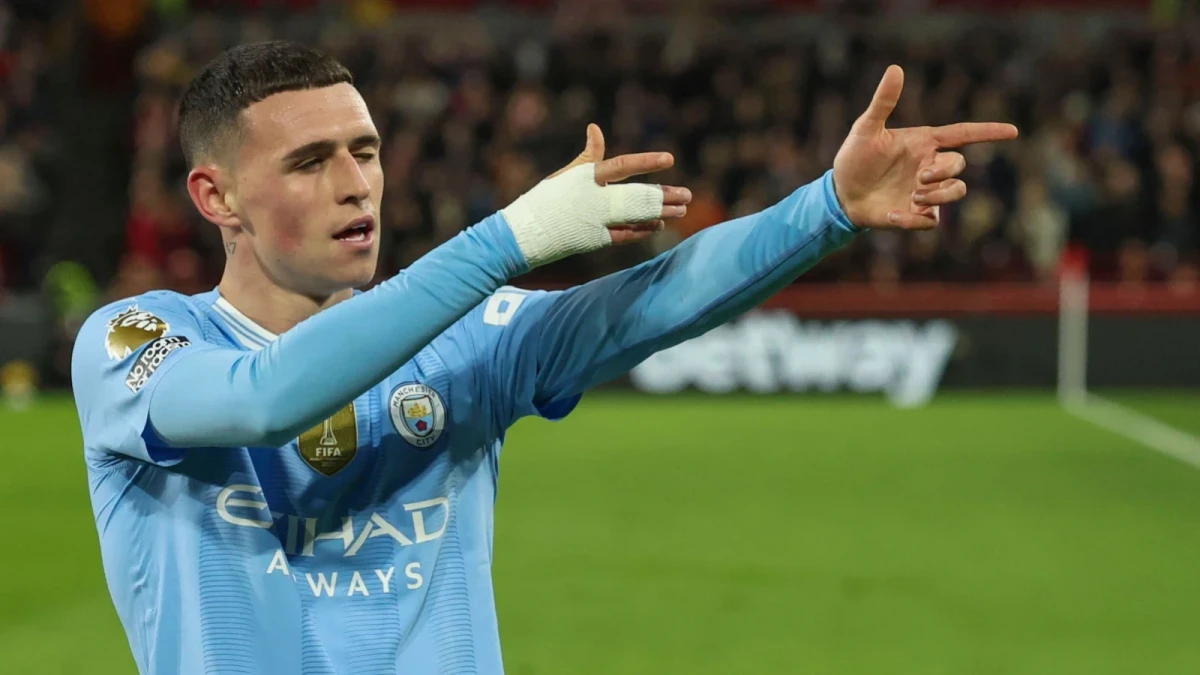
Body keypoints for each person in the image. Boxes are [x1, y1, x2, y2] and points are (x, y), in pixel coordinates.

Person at [71, 41, 1016, 674]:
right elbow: (265, 399)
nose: (357, 185)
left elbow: (658, 298)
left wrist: (827, 209)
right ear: (216, 196)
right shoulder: (138, 342)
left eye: (365, 150)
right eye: (311, 162)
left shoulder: (471, 343)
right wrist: (509, 236)